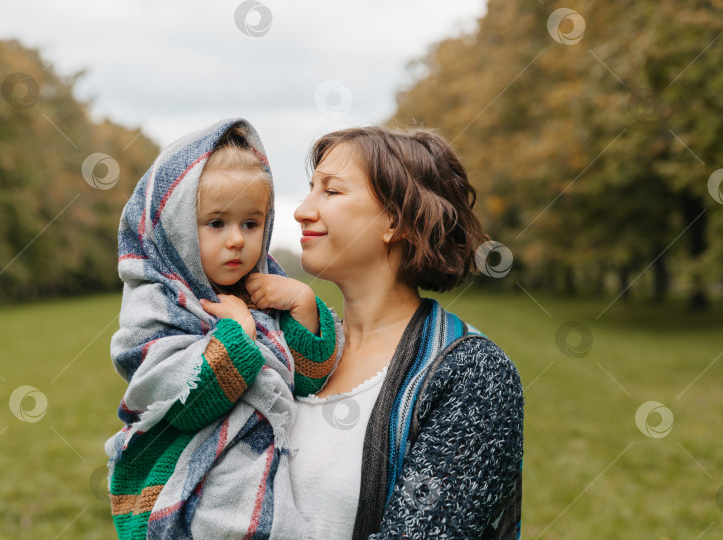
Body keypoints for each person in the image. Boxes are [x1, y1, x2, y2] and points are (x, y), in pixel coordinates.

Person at [253, 125, 524, 539]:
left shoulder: (474, 373)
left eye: (332, 191)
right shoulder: (291, 347)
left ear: (395, 221)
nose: (302, 210)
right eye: (311, 189)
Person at [104, 118, 341, 539]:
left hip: (264, 467)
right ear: (176, 230)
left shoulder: (263, 287)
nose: (236, 240)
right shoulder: (160, 303)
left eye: (250, 224)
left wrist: (302, 305)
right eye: (217, 223)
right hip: (194, 472)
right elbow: (182, 398)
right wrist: (237, 331)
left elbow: (308, 380)